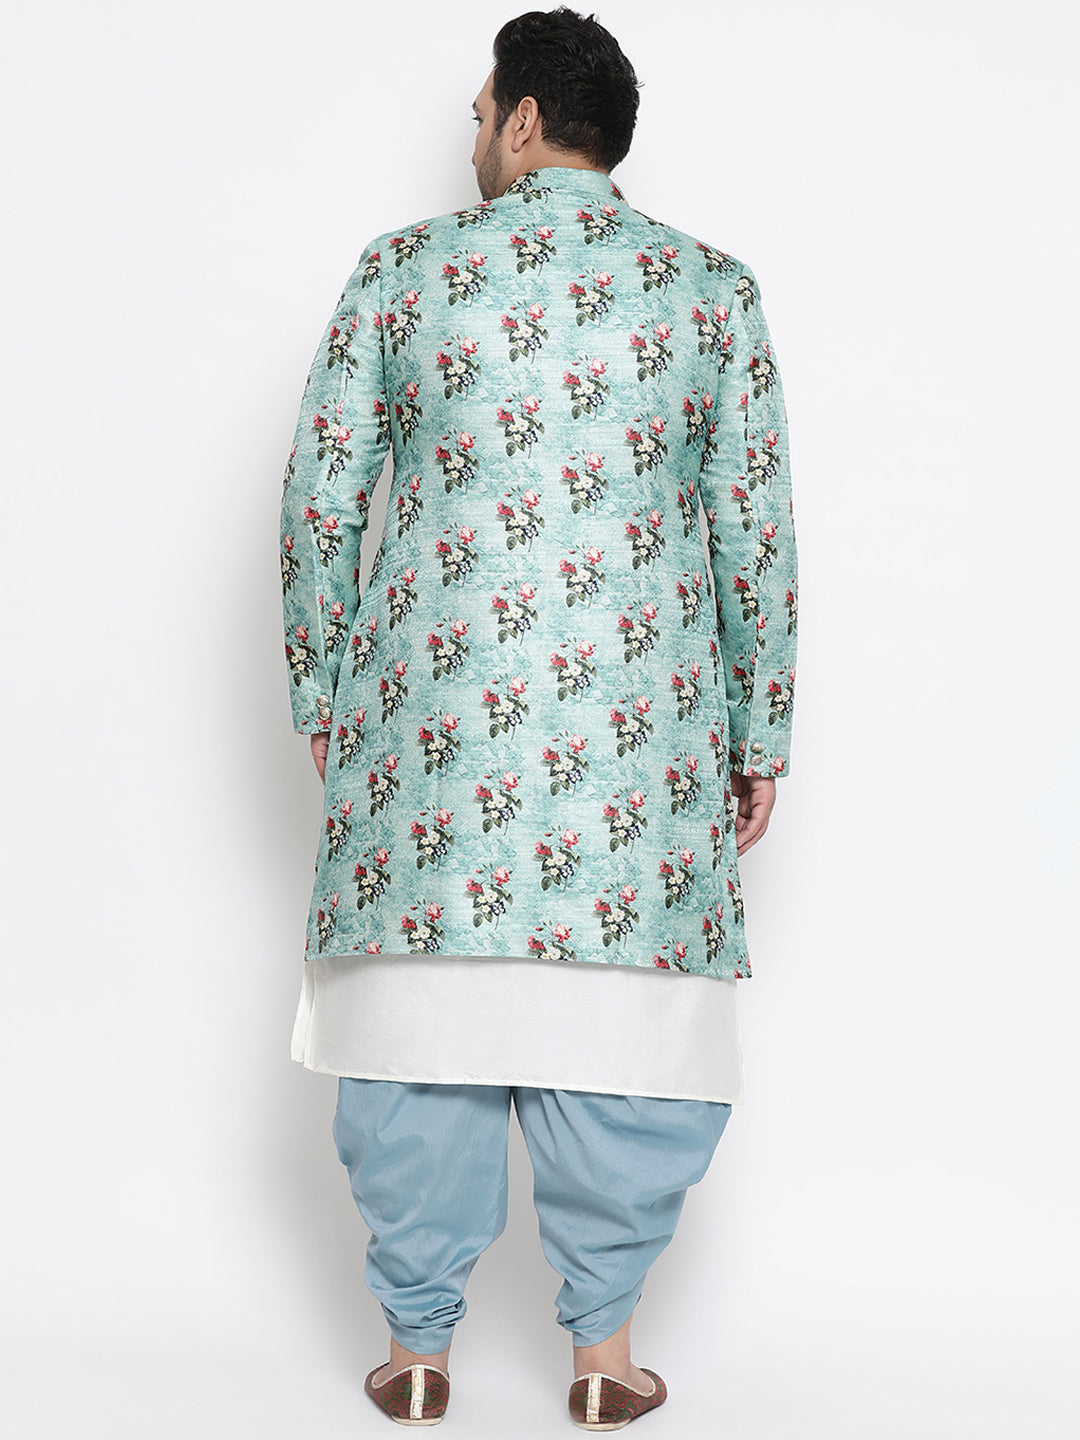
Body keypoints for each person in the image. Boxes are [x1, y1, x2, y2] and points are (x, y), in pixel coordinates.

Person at [278, 6, 798, 1429]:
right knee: (623, 1043)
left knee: (421, 1036)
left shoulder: (402, 271)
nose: (470, 138)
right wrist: (759, 734)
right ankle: (603, 1359)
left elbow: (324, 497)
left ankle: (417, 1352)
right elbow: (751, 530)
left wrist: (324, 687)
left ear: (521, 120)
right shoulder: (708, 291)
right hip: (644, 741)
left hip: (428, 740)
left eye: (477, 114)